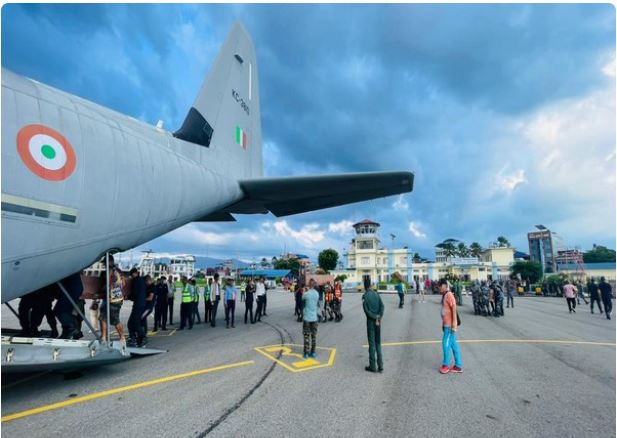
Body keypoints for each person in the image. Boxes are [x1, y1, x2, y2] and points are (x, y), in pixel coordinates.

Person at [438, 279, 462, 374]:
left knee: (445, 344)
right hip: (447, 325)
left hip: (450, 326)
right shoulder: (445, 295)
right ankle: (458, 366)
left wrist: (454, 325)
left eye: (440, 287)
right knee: (453, 345)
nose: (439, 289)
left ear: (444, 286)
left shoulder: (449, 295)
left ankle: (445, 365)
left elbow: (454, 309)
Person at [362, 278, 384, 373]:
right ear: (370, 285)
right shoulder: (376, 294)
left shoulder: (365, 296)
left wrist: (374, 317)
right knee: (378, 343)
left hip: (371, 322)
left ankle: (372, 366)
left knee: (372, 344)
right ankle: (381, 365)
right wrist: (379, 317)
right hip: (378, 321)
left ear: (364, 286)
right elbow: (382, 306)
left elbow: (366, 311)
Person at [99, 266, 126, 345]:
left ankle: (122, 337)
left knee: (115, 320)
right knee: (102, 318)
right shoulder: (115, 271)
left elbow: (118, 284)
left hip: (114, 300)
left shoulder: (114, 271)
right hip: (111, 299)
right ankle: (104, 337)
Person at [127, 268, 147, 347]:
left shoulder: (135, 281)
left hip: (138, 305)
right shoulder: (142, 280)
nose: (131, 277)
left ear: (134, 274)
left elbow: (134, 293)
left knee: (132, 323)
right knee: (134, 323)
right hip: (142, 304)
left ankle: (138, 338)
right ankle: (136, 338)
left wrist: (128, 296)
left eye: (132, 275)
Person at [302, 279, 320, 359]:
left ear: (309, 285)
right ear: (315, 285)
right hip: (314, 317)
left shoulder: (306, 294)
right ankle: (313, 352)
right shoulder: (317, 294)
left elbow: (302, 298)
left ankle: (306, 353)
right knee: (314, 336)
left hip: (307, 317)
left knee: (306, 336)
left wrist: (304, 290)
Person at [140, 275, 155, 341]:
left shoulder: (152, 287)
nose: (145, 283)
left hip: (149, 307)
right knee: (143, 319)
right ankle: (143, 333)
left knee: (141, 318)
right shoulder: (147, 286)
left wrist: (141, 299)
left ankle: (143, 334)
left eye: (146, 282)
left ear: (148, 280)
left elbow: (150, 298)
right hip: (145, 306)